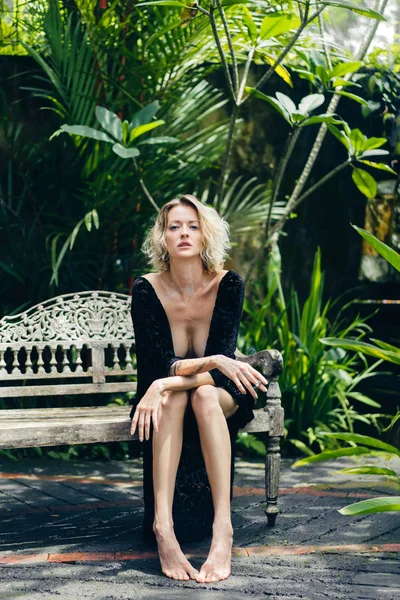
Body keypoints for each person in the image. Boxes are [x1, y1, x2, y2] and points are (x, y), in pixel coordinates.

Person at [129, 194, 268, 583]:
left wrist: (168, 380)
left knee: (202, 394)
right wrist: (174, 377)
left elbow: (223, 373)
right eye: (174, 227)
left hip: (218, 391)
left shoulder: (228, 284)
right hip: (167, 392)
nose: (184, 233)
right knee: (171, 397)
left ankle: (222, 529)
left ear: (205, 235)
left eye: (193, 226)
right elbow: (159, 364)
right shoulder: (146, 290)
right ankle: (163, 529)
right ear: (163, 238)